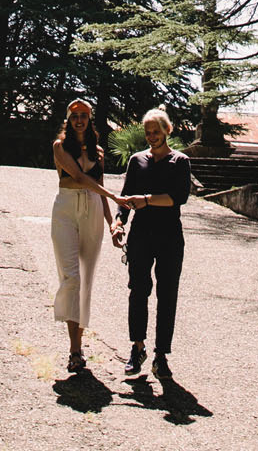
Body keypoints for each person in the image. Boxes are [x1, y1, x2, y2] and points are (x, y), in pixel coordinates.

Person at [116, 107, 193, 385]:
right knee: (138, 290)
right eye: (148, 133)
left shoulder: (180, 161)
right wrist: (118, 222)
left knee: (167, 294)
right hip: (141, 236)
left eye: (156, 132)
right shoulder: (137, 161)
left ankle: (161, 355)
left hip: (169, 236)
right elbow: (126, 197)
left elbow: (178, 197)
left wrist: (146, 199)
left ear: (167, 131)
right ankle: (137, 348)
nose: (152, 137)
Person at [48, 98, 118, 373]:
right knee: (71, 277)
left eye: (84, 116)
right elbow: (77, 177)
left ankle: (77, 349)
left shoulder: (98, 152)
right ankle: (73, 347)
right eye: (75, 116)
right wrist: (113, 195)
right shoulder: (60, 146)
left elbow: (99, 187)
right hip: (66, 207)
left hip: (92, 207)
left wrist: (113, 223)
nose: (79, 120)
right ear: (69, 119)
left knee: (85, 280)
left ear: (90, 120)